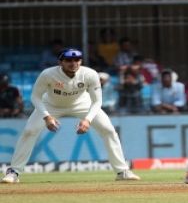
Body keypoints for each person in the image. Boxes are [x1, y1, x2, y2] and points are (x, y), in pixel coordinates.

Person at [1, 49, 140, 183]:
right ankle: (14, 172)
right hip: (51, 105)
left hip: (82, 104)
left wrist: (87, 120)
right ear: (60, 62)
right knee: (29, 131)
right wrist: (47, 117)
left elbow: (97, 101)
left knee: (109, 130)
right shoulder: (48, 74)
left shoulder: (90, 74)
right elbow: (35, 97)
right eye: (68, 60)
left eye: (77, 60)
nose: (73, 63)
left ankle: (122, 171)